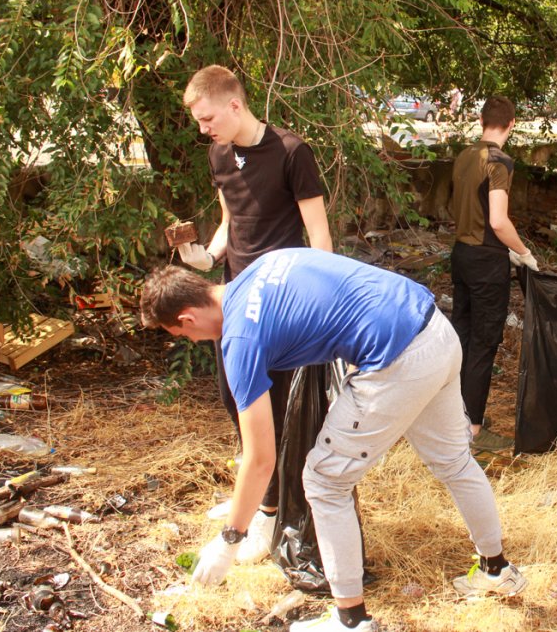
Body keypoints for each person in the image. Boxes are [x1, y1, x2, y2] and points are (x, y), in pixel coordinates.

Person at [140, 251, 526, 631]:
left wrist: (229, 540)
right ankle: (497, 571)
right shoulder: (265, 265)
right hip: (433, 328)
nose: (193, 339)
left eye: (183, 334)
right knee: (455, 461)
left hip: (398, 358)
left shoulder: (240, 339)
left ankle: (351, 621)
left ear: (187, 317)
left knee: (324, 481)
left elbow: (260, 460)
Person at [179, 65, 335, 565]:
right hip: (236, 301)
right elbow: (231, 219)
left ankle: (271, 513)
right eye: (199, 122)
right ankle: (259, 499)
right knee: (237, 400)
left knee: (284, 414)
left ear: (234, 105)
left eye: (207, 118)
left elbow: (320, 235)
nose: (204, 129)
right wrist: (206, 256)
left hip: (284, 306)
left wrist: (323, 306)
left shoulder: (292, 152)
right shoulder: (218, 153)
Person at [449, 97, 538, 452]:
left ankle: (452, 417)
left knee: (462, 337)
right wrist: (522, 252)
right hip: (487, 261)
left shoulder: (464, 155)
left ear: (482, 120)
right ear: (511, 124)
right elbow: (499, 221)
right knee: (484, 343)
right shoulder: (499, 162)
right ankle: (471, 429)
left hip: (462, 254)